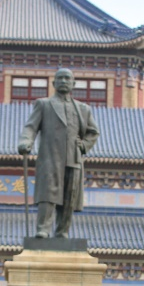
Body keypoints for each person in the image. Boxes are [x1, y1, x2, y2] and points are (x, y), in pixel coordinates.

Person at [16, 66, 100, 239]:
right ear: (53, 83)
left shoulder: (83, 109)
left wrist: (84, 145)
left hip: (73, 157)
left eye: (67, 78)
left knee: (70, 195)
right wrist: (26, 141)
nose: (63, 81)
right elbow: (31, 127)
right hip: (50, 156)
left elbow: (93, 132)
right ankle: (43, 229)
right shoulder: (44, 104)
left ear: (73, 84)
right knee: (48, 193)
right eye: (60, 78)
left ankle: (62, 231)